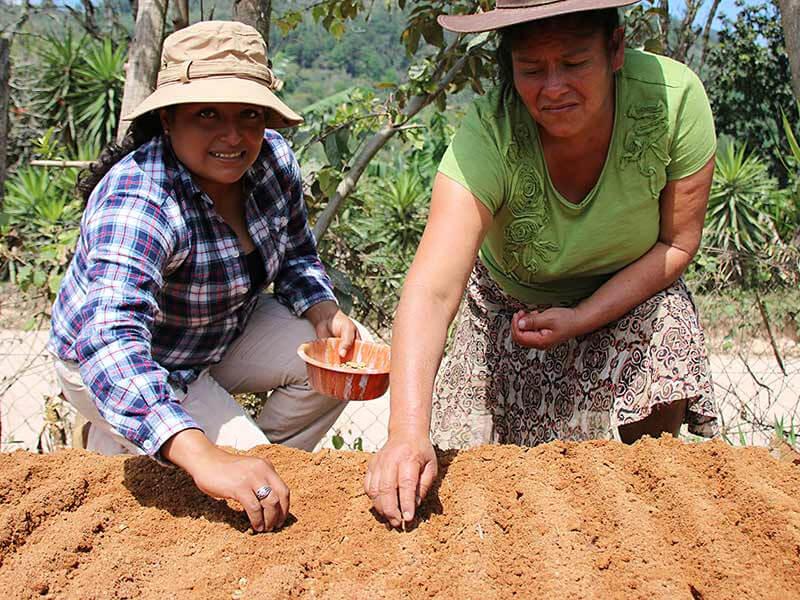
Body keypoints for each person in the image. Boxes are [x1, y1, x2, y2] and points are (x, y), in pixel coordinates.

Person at [365, 0, 719, 529]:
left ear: (616, 49)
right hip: (509, 315)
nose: (553, 88)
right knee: (474, 498)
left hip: (628, 302)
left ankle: (646, 525)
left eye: (574, 63)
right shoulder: (489, 133)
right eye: (532, 70)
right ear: (510, 69)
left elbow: (676, 244)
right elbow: (433, 290)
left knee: (669, 321)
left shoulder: (672, 101)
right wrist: (405, 430)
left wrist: (585, 316)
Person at [49, 21, 358, 533]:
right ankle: (154, 446)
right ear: (168, 118)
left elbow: (298, 256)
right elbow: (108, 340)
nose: (233, 136)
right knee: (234, 481)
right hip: (125, 359)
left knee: (338, 364)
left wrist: (323, 311)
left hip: (220, 329)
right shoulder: (141, 199)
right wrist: (206, 456)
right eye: (208, 113)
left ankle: (237, 462)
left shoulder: (272, 161)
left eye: (249, 115)